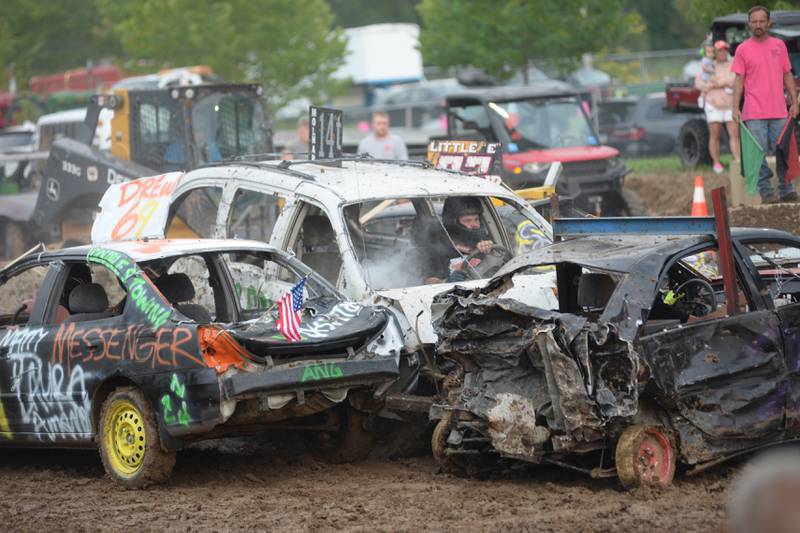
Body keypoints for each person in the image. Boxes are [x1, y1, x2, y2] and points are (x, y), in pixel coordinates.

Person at [732, 5, 799, 203]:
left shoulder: (779, 45)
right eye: (754, 22)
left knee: (784, 151)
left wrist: (794, 102)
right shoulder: (742, 49)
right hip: (753, 112)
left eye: (762, 21)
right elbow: (738, 81)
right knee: (757, 155)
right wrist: (734, 107)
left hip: (779, 110)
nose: (758, 25)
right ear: (749, 24)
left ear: (768, 23)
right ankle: (766, 193)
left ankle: (786, 190)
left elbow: (787, 75)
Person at [425, 197, 495, 284]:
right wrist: (446, 281)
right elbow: (428, 281)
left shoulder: (484, 241)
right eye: (467, 220)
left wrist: (490, 249)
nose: (474, 225)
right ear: (453, 222)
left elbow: (502, 262)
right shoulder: (438, 248)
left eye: (476, 219)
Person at [695, 40, 739, 174]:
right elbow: (700, 83)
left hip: (729, 105)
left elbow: (732, 81)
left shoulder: (733, 64)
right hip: (713, 104)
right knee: (715, 134)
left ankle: (737, 160)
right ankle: (717, 163)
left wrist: (714, 83)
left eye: (724, 50)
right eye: (719, 50)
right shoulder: (708, 65)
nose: (722, 53)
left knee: (734, 134)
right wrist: (719, 83)